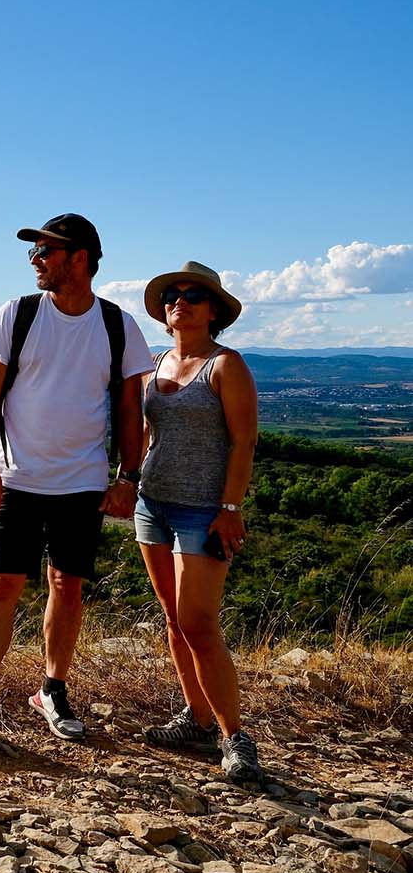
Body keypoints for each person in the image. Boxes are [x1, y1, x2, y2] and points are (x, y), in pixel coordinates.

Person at [0, 214, 153, 743]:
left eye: (45, 251)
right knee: (2, 585)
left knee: (67, 585)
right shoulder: (16, 315)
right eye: (34, 251)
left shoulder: (116, 324)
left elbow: (132, 410)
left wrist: (129, 476)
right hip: (16, 477)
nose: (34, 260)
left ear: (79, 258)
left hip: (82, 481)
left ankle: (52, 690)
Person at [133, 261, 263, 782]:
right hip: (153, 504)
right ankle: (197, 718)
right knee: (172, 618)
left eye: (192, 294)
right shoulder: (156, 365)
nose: (178, 301)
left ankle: (236, 738)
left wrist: (230, 508)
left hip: (203, 510)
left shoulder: (225, 365)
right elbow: (145, 436)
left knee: (199, 623)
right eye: (171, 295)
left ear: (213, 311)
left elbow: (245, 441)